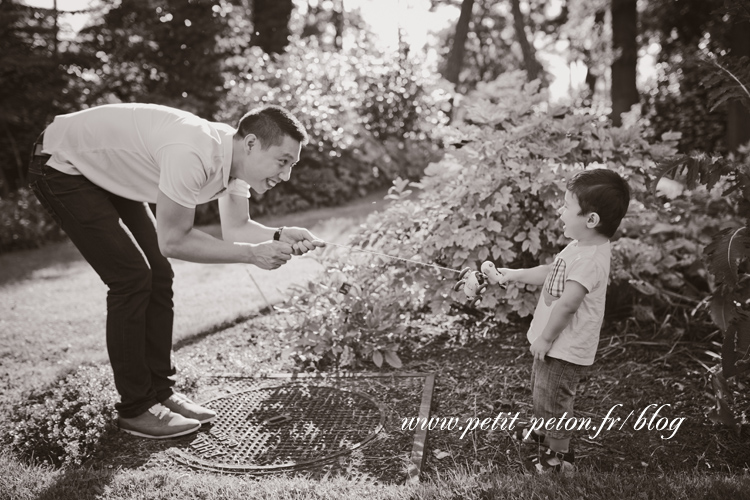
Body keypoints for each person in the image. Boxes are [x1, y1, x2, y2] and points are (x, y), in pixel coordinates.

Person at [27, 103, 325, 439]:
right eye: (283, 162)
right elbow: (173, 240)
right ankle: (136, 408)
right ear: (252, 144)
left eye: (292, 165)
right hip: (61, 163)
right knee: (132, 277)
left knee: (159, 275)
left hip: (106, 173)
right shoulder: (193, 151)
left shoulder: (235, 162)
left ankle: (161, 394)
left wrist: (278, 235)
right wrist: (252, 255)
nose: (285, 175)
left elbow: (237, 227)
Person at [494, 168, 630, 473]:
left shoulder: (590, 261)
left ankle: (558, 460)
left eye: (567, 206)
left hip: (563, 347)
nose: (560, 211)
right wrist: (513, 275)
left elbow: (568, 305)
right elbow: (551, 271)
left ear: (591, 220)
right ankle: (544, 435)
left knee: (554, 402)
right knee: (543, 393)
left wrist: (545, 338)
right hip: (555, 343)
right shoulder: (580, 247)